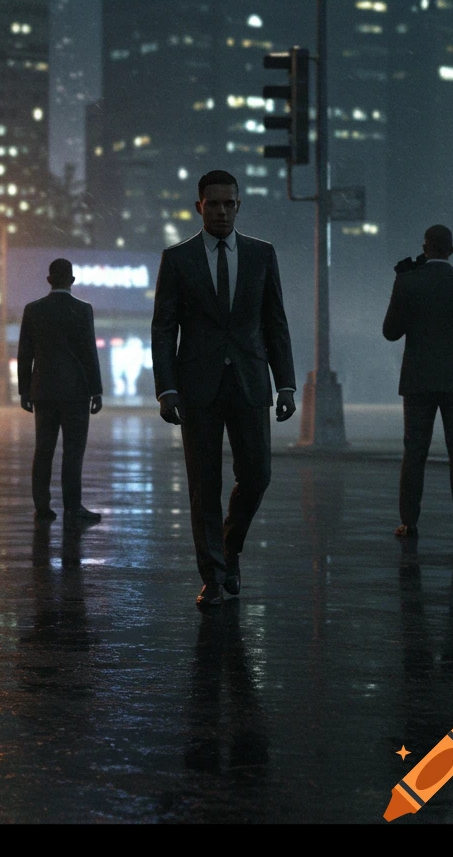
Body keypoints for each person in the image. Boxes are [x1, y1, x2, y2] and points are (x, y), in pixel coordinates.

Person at [151, 170, 297, 609]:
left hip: (250, 380)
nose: (221, 211)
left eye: (228, 204)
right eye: (212, 204)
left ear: (238, 205)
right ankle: (213, 576)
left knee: (257, 476)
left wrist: (286, 383)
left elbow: (274, 321)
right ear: (199, 206)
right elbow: (164, 328)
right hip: (197, 385)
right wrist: (166, 389)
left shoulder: (261, 254)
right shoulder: (178, 258)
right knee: (204, 485)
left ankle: (229, 547)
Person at [382, 224, 453, 541]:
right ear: (451, 250)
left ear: (424, 248)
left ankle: (409, 523)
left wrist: (401, 282)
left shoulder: (409, 282)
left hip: (419, 380)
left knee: (414, 452)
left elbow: (391, 332)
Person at [16, 257, 105, 525]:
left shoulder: (33, 310)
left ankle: (42, 507)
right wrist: (96, 391)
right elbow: (89, 352)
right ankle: (73, 507)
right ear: (72, 280)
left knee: (43, 450)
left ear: (49, 280)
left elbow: (25, 354)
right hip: (76, 392)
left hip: (43, 390)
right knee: (73, 452)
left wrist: (24, 391)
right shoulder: (83, 310)